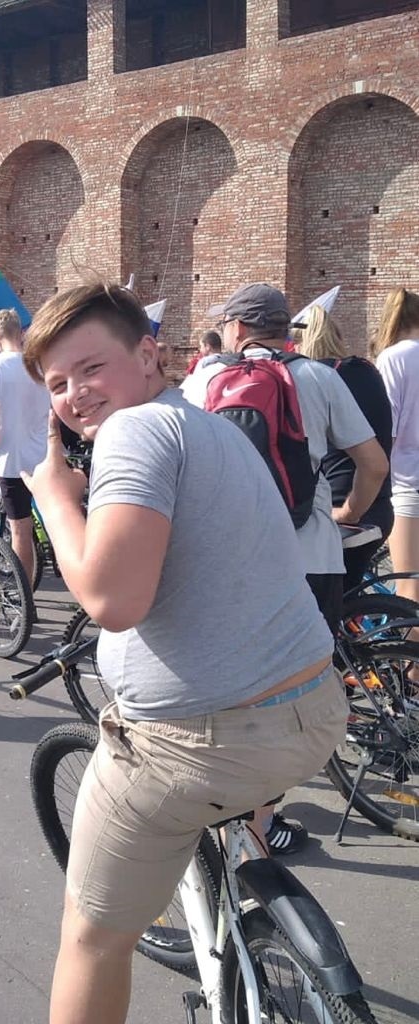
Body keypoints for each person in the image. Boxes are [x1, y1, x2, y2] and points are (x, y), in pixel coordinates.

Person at [20, 281, 346, 1024]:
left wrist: (53, 498)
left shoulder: (133, 433)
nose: (74, 394)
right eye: (57, 384)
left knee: (90, 939)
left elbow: (110, 601)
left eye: (90, 368)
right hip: (312, 712)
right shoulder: (209, 427)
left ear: (148, 355)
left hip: (197, 746)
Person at [182, 283, 387, 853]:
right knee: (291, 693)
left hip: (234, 560)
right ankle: (262, 821)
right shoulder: (320, 376)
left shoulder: (203, 380)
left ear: (237, 329)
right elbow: (372, 462)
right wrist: (347, 512)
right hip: (312, 557)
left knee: (239, 691)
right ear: (282, 328)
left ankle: (238, 820)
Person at [293, 305, 393, 591]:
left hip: (341, 510)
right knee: (346, 599)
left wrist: (348, 512)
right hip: (380, 507)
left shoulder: (317, 378)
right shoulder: (367, 370)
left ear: (300, 343)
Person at [0, 308, 49, 583]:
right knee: (58, 523)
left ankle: (25, 594)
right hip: (46, 455)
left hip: (14, 460)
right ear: (21, 332)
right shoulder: (39, 362)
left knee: (20, 530)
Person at [373, 287, 419, 617]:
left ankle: (411, 655)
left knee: (409, 590)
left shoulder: (393, 358)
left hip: (407, 482)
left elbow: (385, 426)